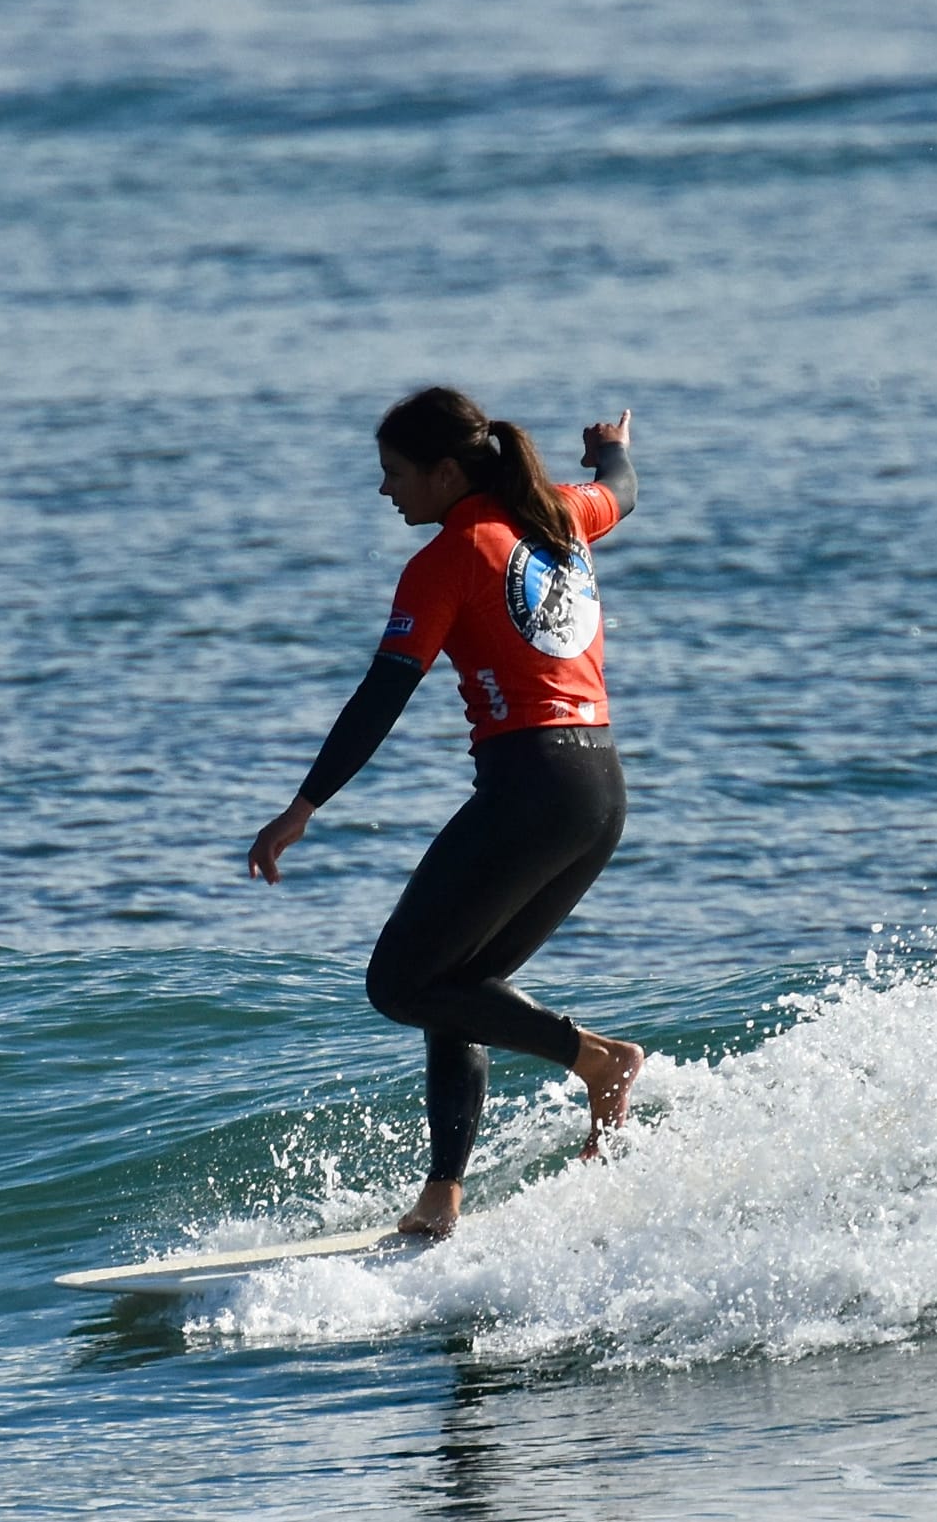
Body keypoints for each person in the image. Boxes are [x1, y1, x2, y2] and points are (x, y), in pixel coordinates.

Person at [248, 388, 644, 1239]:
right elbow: (626, 486)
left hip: (533, 789)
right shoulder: (561, 516)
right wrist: (609, 449)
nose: (385, 491)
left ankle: (599, 1061)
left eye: (394, 474)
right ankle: (442, 1200)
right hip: (600, 790)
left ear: (444, 471)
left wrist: (302, 805)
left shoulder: (451, 557)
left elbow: (381, 695)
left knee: (398, 982)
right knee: (454, 987)